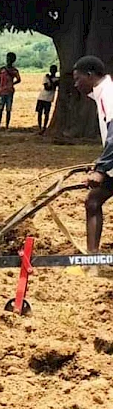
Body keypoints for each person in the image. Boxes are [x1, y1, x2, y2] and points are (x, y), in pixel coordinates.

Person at [72, 55, 113, 257]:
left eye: (78, 78)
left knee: (93, 202)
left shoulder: (108, 94)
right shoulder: (102, 93)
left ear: (90, 75)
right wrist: (100, 163)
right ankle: (92, 260)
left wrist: (101, 169)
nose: (76, 84)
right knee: (93, 202)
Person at [0, 52, 21, 131]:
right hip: (2, 92)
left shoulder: (14, 70)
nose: (8, 60)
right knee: (0, 109)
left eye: (10, 58)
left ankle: (7, 126)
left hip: (9, 92)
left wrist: (11, 84)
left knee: (8, 110)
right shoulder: (1, 69)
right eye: (7, 58)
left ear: (13, 60)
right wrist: (0, 89)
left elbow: (19, 79)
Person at [36, 65, 59, 133]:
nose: (52, 71)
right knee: (39, 113)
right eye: (51, 69)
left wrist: (50, 80)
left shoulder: (52, 78)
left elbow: (51, 87)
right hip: (41, 97)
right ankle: (40, 127)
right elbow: (47, 88)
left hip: (48, 99)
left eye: (54, 70)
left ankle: (44, 127)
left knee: (46, 113)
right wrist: (52, 82)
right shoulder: (46, 77)